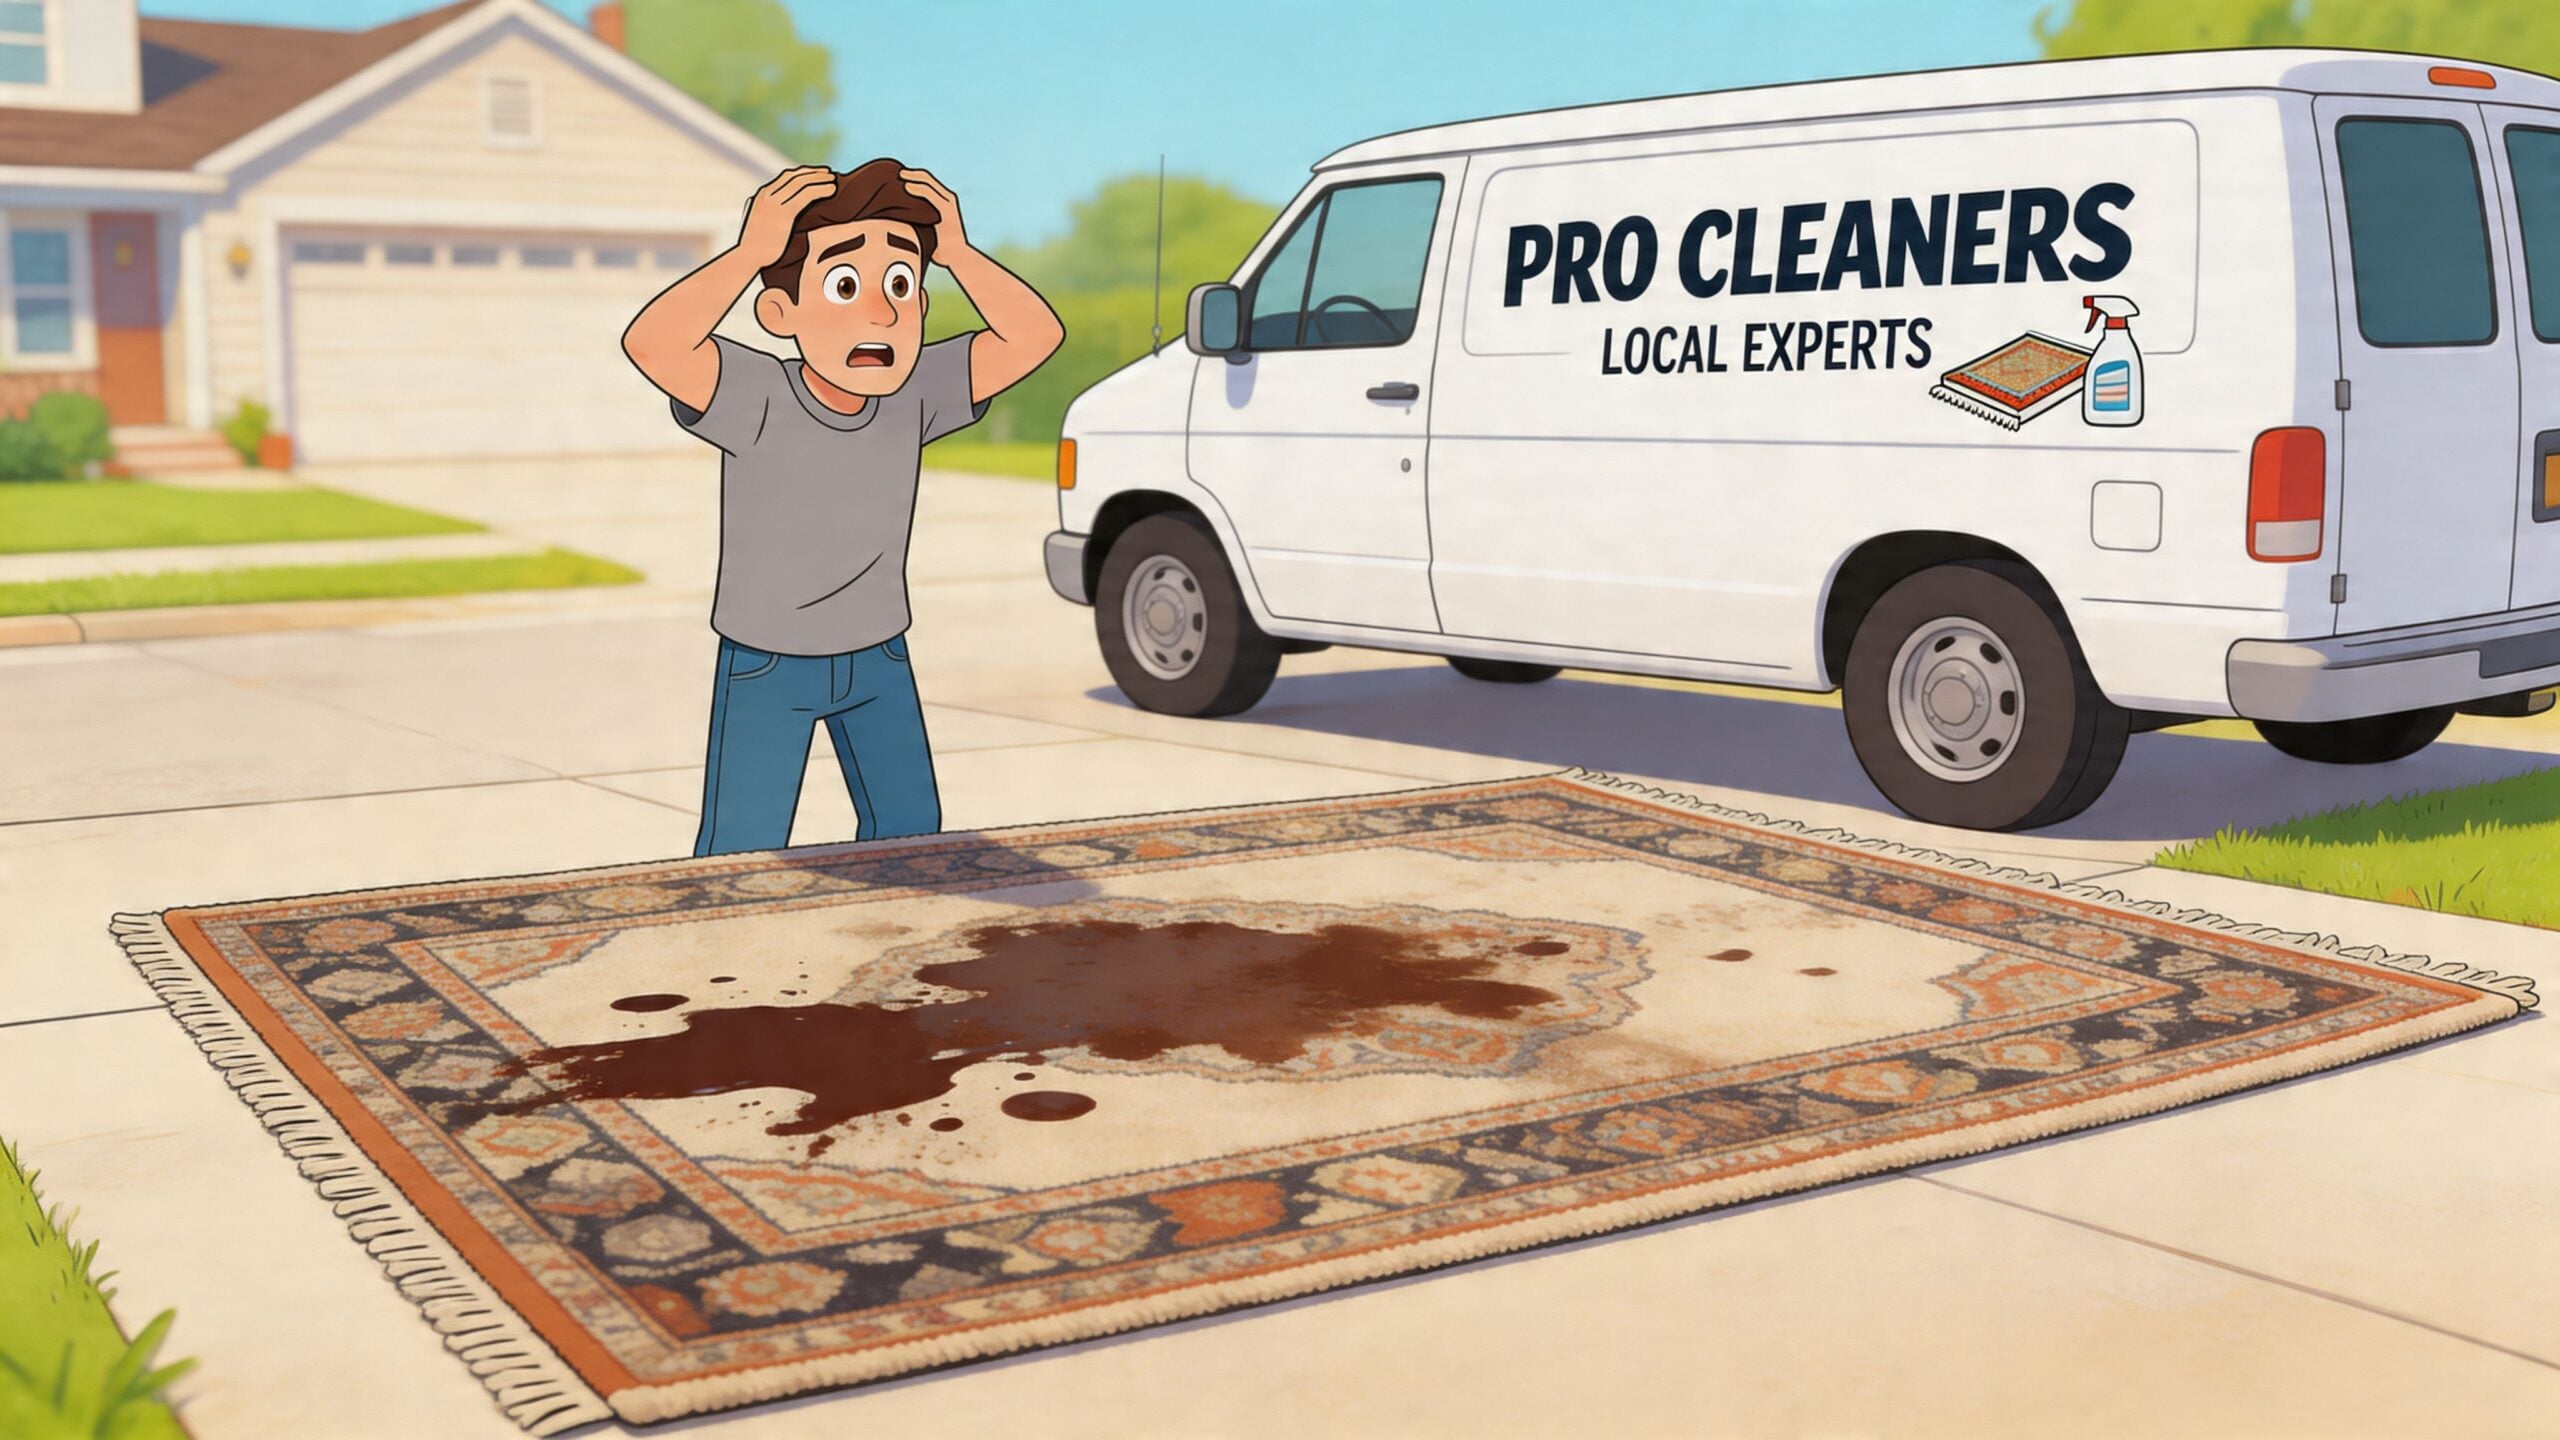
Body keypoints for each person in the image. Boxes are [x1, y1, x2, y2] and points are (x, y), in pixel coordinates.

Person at [622, 159, 1064, 856]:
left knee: (912, 833)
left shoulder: (914, 392)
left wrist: (958, 253)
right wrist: (749, 255)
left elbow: (1034, 337)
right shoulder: (756, 393)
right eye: (845, 284)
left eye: (902, 284)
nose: (881, 311)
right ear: (780, 312)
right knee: (742, 844)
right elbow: (652, 343)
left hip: (880, 656)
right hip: (770, 662)